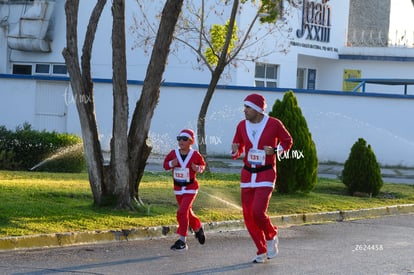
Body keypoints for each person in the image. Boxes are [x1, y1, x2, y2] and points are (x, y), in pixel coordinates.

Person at [231, 93, 293, 263]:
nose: (245, 110)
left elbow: (287, 141)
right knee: (248, 216)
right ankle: (261, 249)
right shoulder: (241, 126)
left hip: (266, 174)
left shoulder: (274, 124)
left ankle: (271, 235)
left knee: (258, 212)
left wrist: (275, 150)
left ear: (258, 109)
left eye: (248, 107)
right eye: (245, 107)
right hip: (247, 174)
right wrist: (235, 150)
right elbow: (237, 149)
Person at [163, 128, 206, 251]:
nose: (181, 141)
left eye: (184, 139)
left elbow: (202, 166)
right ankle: (197, 228)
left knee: (182, 212)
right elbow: (165, 165)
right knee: (187, 212)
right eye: (179, 139)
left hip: (191, 188)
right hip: (178, 188)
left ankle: (182, 241)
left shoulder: (195, 155)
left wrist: (197, 168)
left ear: (191, 142)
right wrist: (172, 163)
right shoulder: (173, 153)